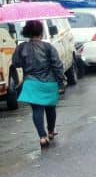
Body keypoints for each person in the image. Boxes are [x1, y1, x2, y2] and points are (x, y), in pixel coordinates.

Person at [12, 20, 65, 149]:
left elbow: (16, 63)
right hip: (49, 82)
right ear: (41, 32)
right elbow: (57, 65)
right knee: (50, 108)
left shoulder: (22, 47)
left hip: (31, 82)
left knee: (37, 110)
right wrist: (61, 82)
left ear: (27, 32)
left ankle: (42, 137)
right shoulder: (48, 47)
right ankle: (51, 131)